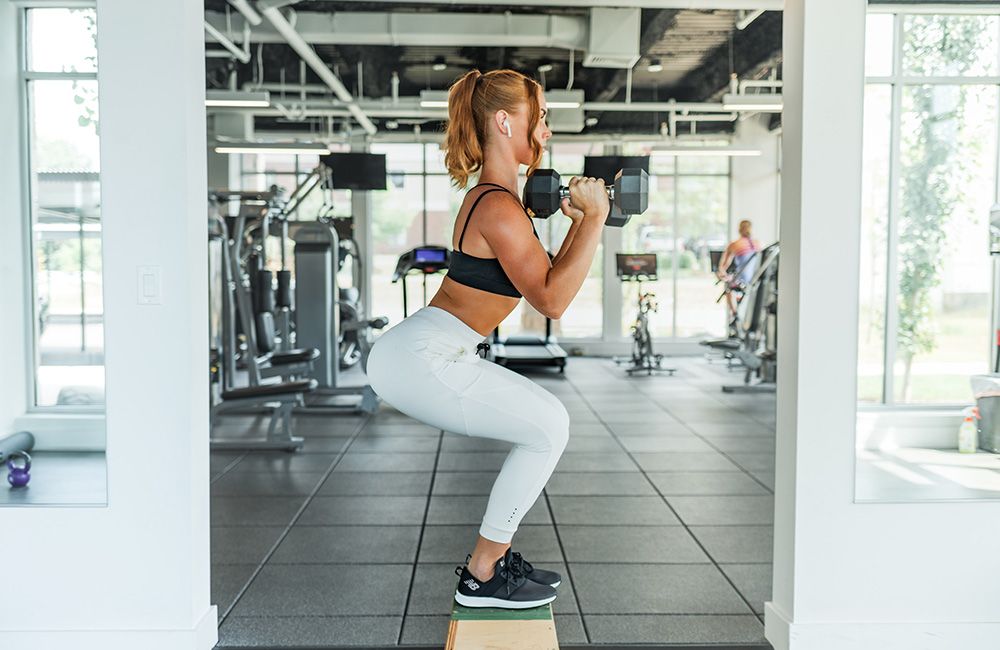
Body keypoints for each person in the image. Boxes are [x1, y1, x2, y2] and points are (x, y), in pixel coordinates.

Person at [365, 69, 608, 610]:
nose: (545, 129)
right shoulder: (497, 205)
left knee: (546, 424)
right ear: (505, 121)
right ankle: (483, 573)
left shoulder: (501, 201)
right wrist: (594, 221)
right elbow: (553, 301)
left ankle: (488, 568)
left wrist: (580, 222)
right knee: (548, 426)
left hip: (429, 350)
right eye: (538, 116)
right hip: (422, 358)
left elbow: (547, 277)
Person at [715, 220, 761, 321]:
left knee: (728, 287)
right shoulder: (758, 243)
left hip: (743, 280)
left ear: (739, 230)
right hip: (757, 280)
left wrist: (722, 274)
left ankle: (735, 314)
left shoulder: (734, 244)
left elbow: (723, 266)